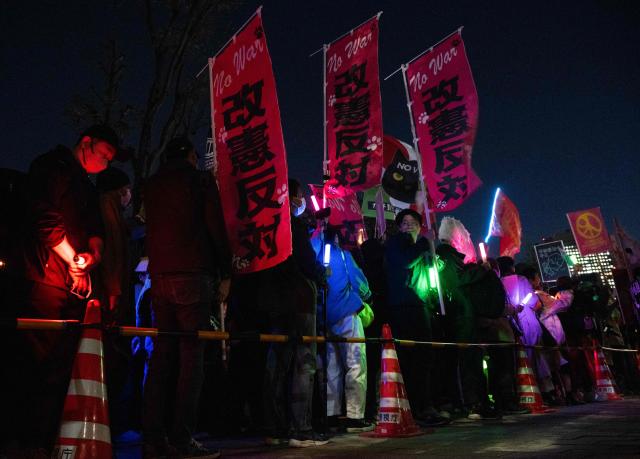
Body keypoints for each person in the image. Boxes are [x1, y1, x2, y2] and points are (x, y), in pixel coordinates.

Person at [16, 125, 123, 454]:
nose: (104, 164)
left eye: (109, 161)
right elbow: (44, 219)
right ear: (85, 143)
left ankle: (50, 439)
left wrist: (91, 255)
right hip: (44, 279)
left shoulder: (86, 186)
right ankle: (29, 442)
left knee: (62, 365)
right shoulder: (51, 167)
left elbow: (94, 228)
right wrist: (72, 259)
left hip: (71, 286)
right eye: (102, 156)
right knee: (39, 361)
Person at [143, 137, 230, 458]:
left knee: (162, 355)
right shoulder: (199, 181)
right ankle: (182, 437)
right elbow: (215, 227)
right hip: (194, 274)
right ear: (193, 156)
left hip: (160, 275)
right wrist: (226, 269)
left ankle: (152, 436)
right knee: (192, 359)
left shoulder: (151, 185)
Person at [384, 209, 447, 426]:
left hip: (420, 305)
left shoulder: (418, 247)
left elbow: (429, 271)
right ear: (399, 227)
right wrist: (423, 246)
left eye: (414, 222)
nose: (409, 225)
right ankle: (417, 408)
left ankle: (426, 405)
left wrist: (434, 261)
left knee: (425, 358)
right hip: (404, 306)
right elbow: (404, 262)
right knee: (412, 358)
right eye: (405, 222)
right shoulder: (396, 243)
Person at [311, 228, 373, 433]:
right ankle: (355, 416)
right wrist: (366, 295)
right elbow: (359, 282)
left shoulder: (315, 251)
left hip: (324, 316)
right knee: (355, 363)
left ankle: (331, 413)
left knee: (332, 367)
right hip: (347, 312)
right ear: (337, 238)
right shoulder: (344, 255)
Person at [437, 217, 497, 419]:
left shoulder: (445, 256)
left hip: (459, 315)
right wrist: (482, 270)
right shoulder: (447, 256)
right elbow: (457, 282)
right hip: (460, 316)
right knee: (467, 360)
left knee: (468, 359)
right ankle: (471, 402)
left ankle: (471, 401)